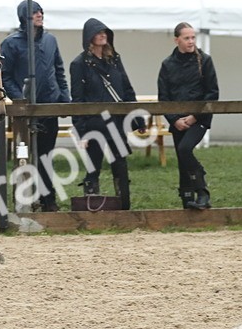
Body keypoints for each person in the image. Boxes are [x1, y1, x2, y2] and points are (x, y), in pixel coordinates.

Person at [0, 0, 70, 211]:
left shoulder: (50, 40)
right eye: (34, 12)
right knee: (24, 156)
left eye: (41, 11)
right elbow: (5, 76)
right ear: (24, 17)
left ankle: (47, 199)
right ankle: (26, 199)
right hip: (26, 111)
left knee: (46, 155)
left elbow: (59, 70)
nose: (40, 14)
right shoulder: (11, 43)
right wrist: (19, 99)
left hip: (50, 106)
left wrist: (63, 97)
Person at [69, 18, 143, 210]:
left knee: (120, 166)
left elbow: (126, 88)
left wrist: (137, 117)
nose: (103, 35)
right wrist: (81, 131)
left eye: (105, 32)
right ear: (89, 37)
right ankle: (91, 207)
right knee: (93, 167)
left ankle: (124, 206)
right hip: (94, 124)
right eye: (98, 32)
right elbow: (77, 99)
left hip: (116, 122)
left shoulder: (114, 59)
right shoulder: (79, 64)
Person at [157, 22, 220, 209]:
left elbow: (212, 93)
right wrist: (174, 119)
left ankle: (202, 190)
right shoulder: (167, 64)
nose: (191, 41)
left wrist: (194, 116)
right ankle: (187, 199)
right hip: (177, 119)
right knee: (182, 158)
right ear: (176, 40)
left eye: (193, 37)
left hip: (199, 118)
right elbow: (164, 97)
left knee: (185, 149)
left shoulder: (205, 61)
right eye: (187, 38)